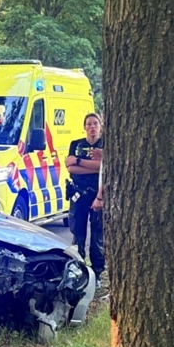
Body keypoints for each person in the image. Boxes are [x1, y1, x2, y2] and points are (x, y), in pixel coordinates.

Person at [66, 112, 105, 285]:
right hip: (78, 196)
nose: (92, 127)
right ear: (84, 127)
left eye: (95, 123)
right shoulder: (75, 144)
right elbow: (70, 168)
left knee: (97, 238)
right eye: (89, 124)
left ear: (100, 125)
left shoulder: (105, 145)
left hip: (98, 197)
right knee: (77, 236)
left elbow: (105, 168)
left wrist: (80, 162)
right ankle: (79, 272)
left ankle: (96, 275)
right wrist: (97, 167)